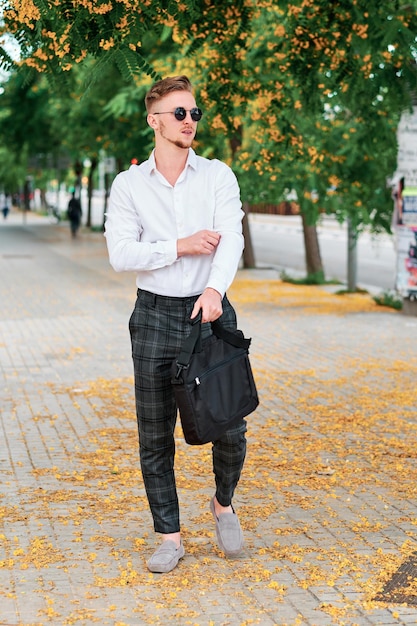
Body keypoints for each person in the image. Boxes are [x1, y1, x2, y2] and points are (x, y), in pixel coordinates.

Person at [104, 75, 247, 574]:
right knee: (154, 434)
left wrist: (215, 289)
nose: (190, 121)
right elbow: (121, 254)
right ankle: (169, 536)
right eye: (179, 113)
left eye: (194, 113)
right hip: (154, 316)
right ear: (155, 120)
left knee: (230, 424)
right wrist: (180, 246)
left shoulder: (216, 176)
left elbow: (231, 236)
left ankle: (223, 503)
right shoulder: (129, 185)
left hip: (210, 312)